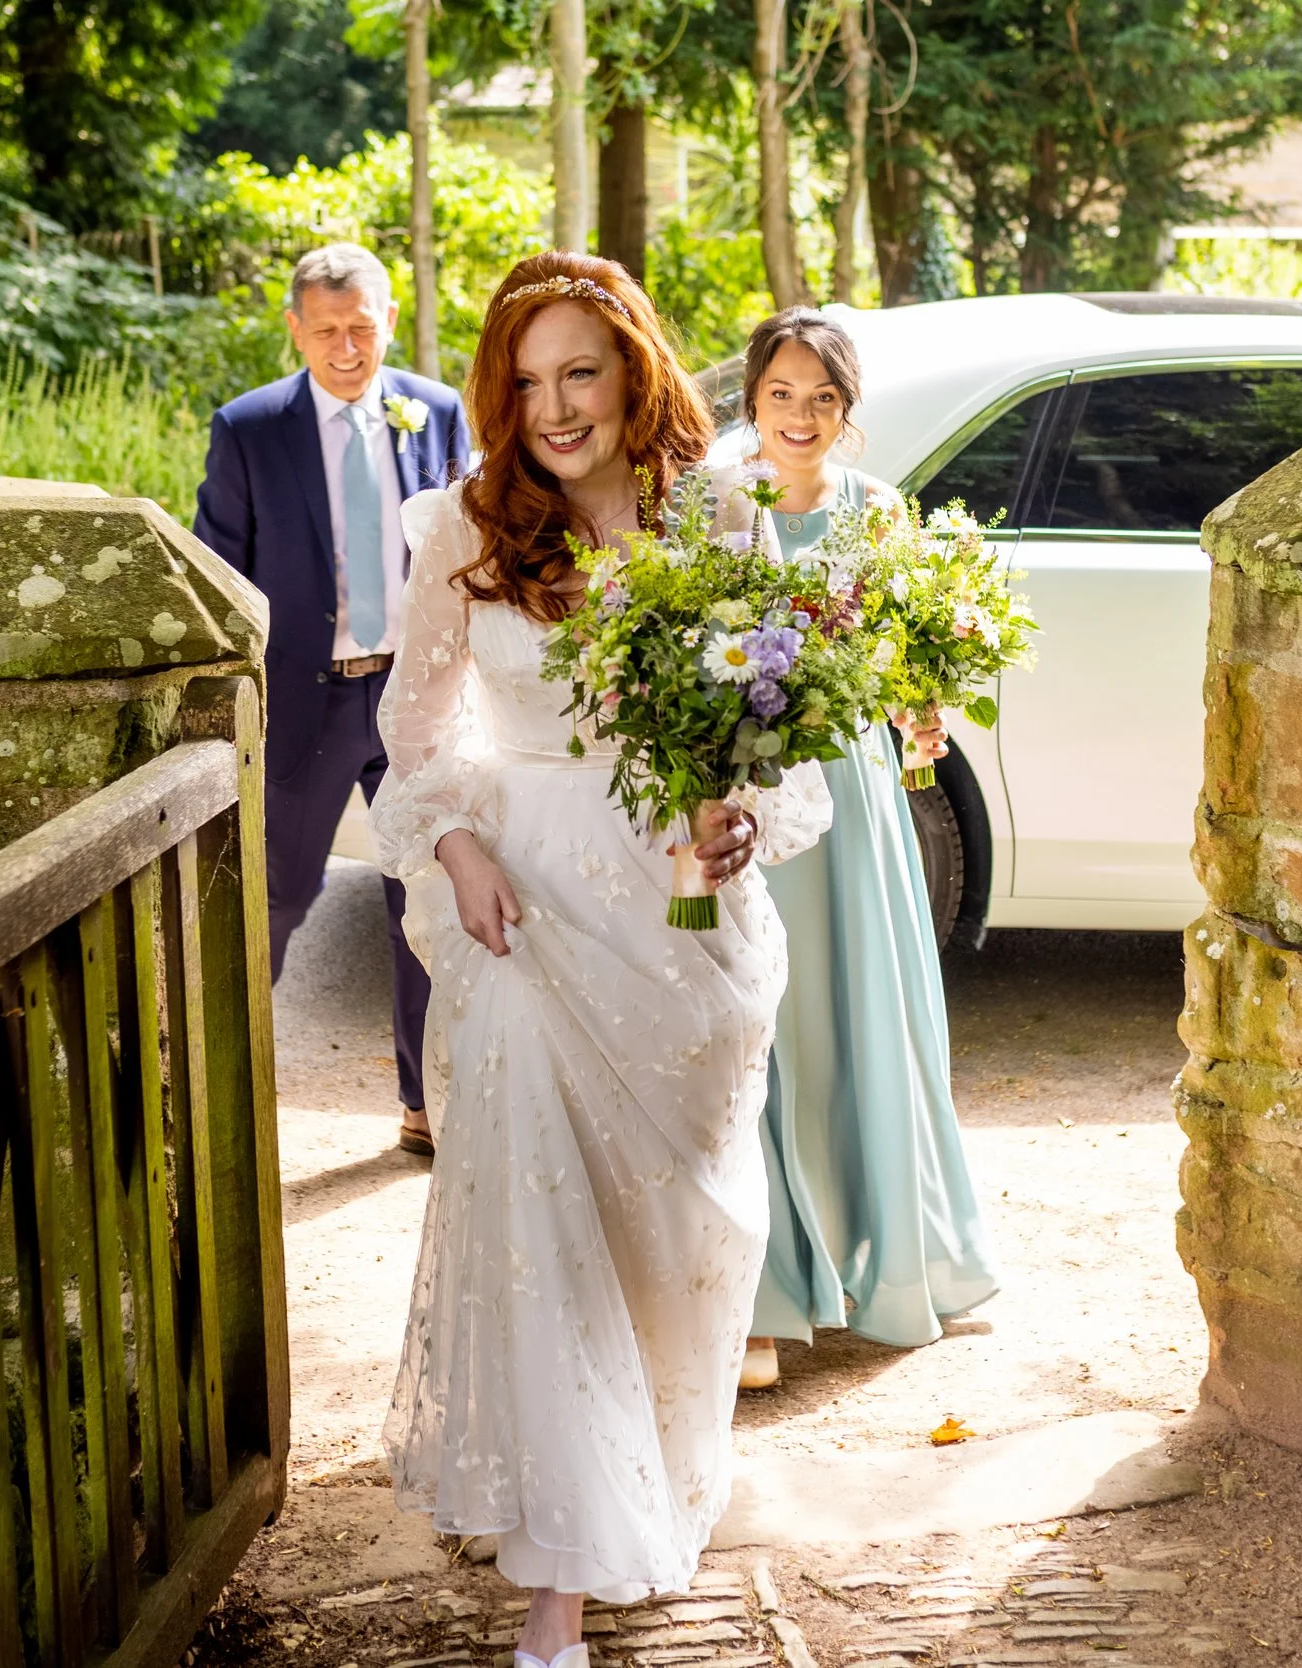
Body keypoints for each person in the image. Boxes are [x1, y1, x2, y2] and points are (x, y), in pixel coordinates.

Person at [370, 252, 831, 1668]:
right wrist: (454, 848)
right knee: (536, 1216)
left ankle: (654, 1471)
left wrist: (741, 809)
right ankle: (555, 1587)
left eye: (581, 370)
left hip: (677, 914)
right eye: (526, 380)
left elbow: (786, 728)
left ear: (635, 369)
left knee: (673, 1231)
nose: (555, 406)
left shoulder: (722, 513)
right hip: (521, 906)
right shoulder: (459, 524)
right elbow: (417, 736)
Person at [710, 310, 999, 1391]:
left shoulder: (880, 513)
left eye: (821, 398)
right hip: (747, 789)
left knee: (860, 1017)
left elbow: (903, 653)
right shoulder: (710, 505)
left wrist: (920, 693)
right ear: (752, 399)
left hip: (856, 793)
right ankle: (767, 1296)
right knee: (761, 1029)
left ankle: (898, 1258)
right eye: (781, 394)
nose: (800, 416)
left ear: (847, 410)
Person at [194, 242, 471, 1158]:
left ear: (388, 319)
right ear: (296, 330)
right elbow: (220, 571)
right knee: (268, 902)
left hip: (417, 699)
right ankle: (219, 1101)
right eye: (326, 331)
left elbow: (470, 543)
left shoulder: (436, 411)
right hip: (306, 708)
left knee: (422, 898)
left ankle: (425, 1101)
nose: (347, 348)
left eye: (361, 328)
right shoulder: (249, 427)